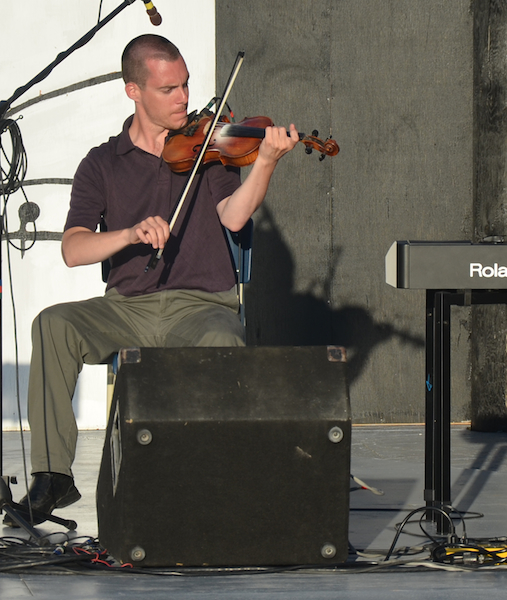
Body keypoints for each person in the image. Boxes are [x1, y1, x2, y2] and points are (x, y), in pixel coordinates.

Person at [4, 34, 299, 527]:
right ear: (133, 91)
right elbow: (74, 249)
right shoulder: (102, 162)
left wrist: (264, 163)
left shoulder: (210, 147)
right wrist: (126, 233)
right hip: (127, 308)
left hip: (200, 304)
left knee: (223, 337)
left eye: (185, 85)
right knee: (52, 324)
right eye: (168, 90)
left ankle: (212, 479)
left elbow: (232, 217)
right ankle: (54, 475)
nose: (183, 98)